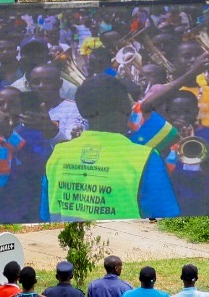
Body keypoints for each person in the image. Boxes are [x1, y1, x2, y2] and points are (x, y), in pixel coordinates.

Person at [42, 76, 179, 221]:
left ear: (81, 111)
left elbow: (46, 214)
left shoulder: (58, 154)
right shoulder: (145, 158)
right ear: (127, 109)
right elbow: (165, 217)